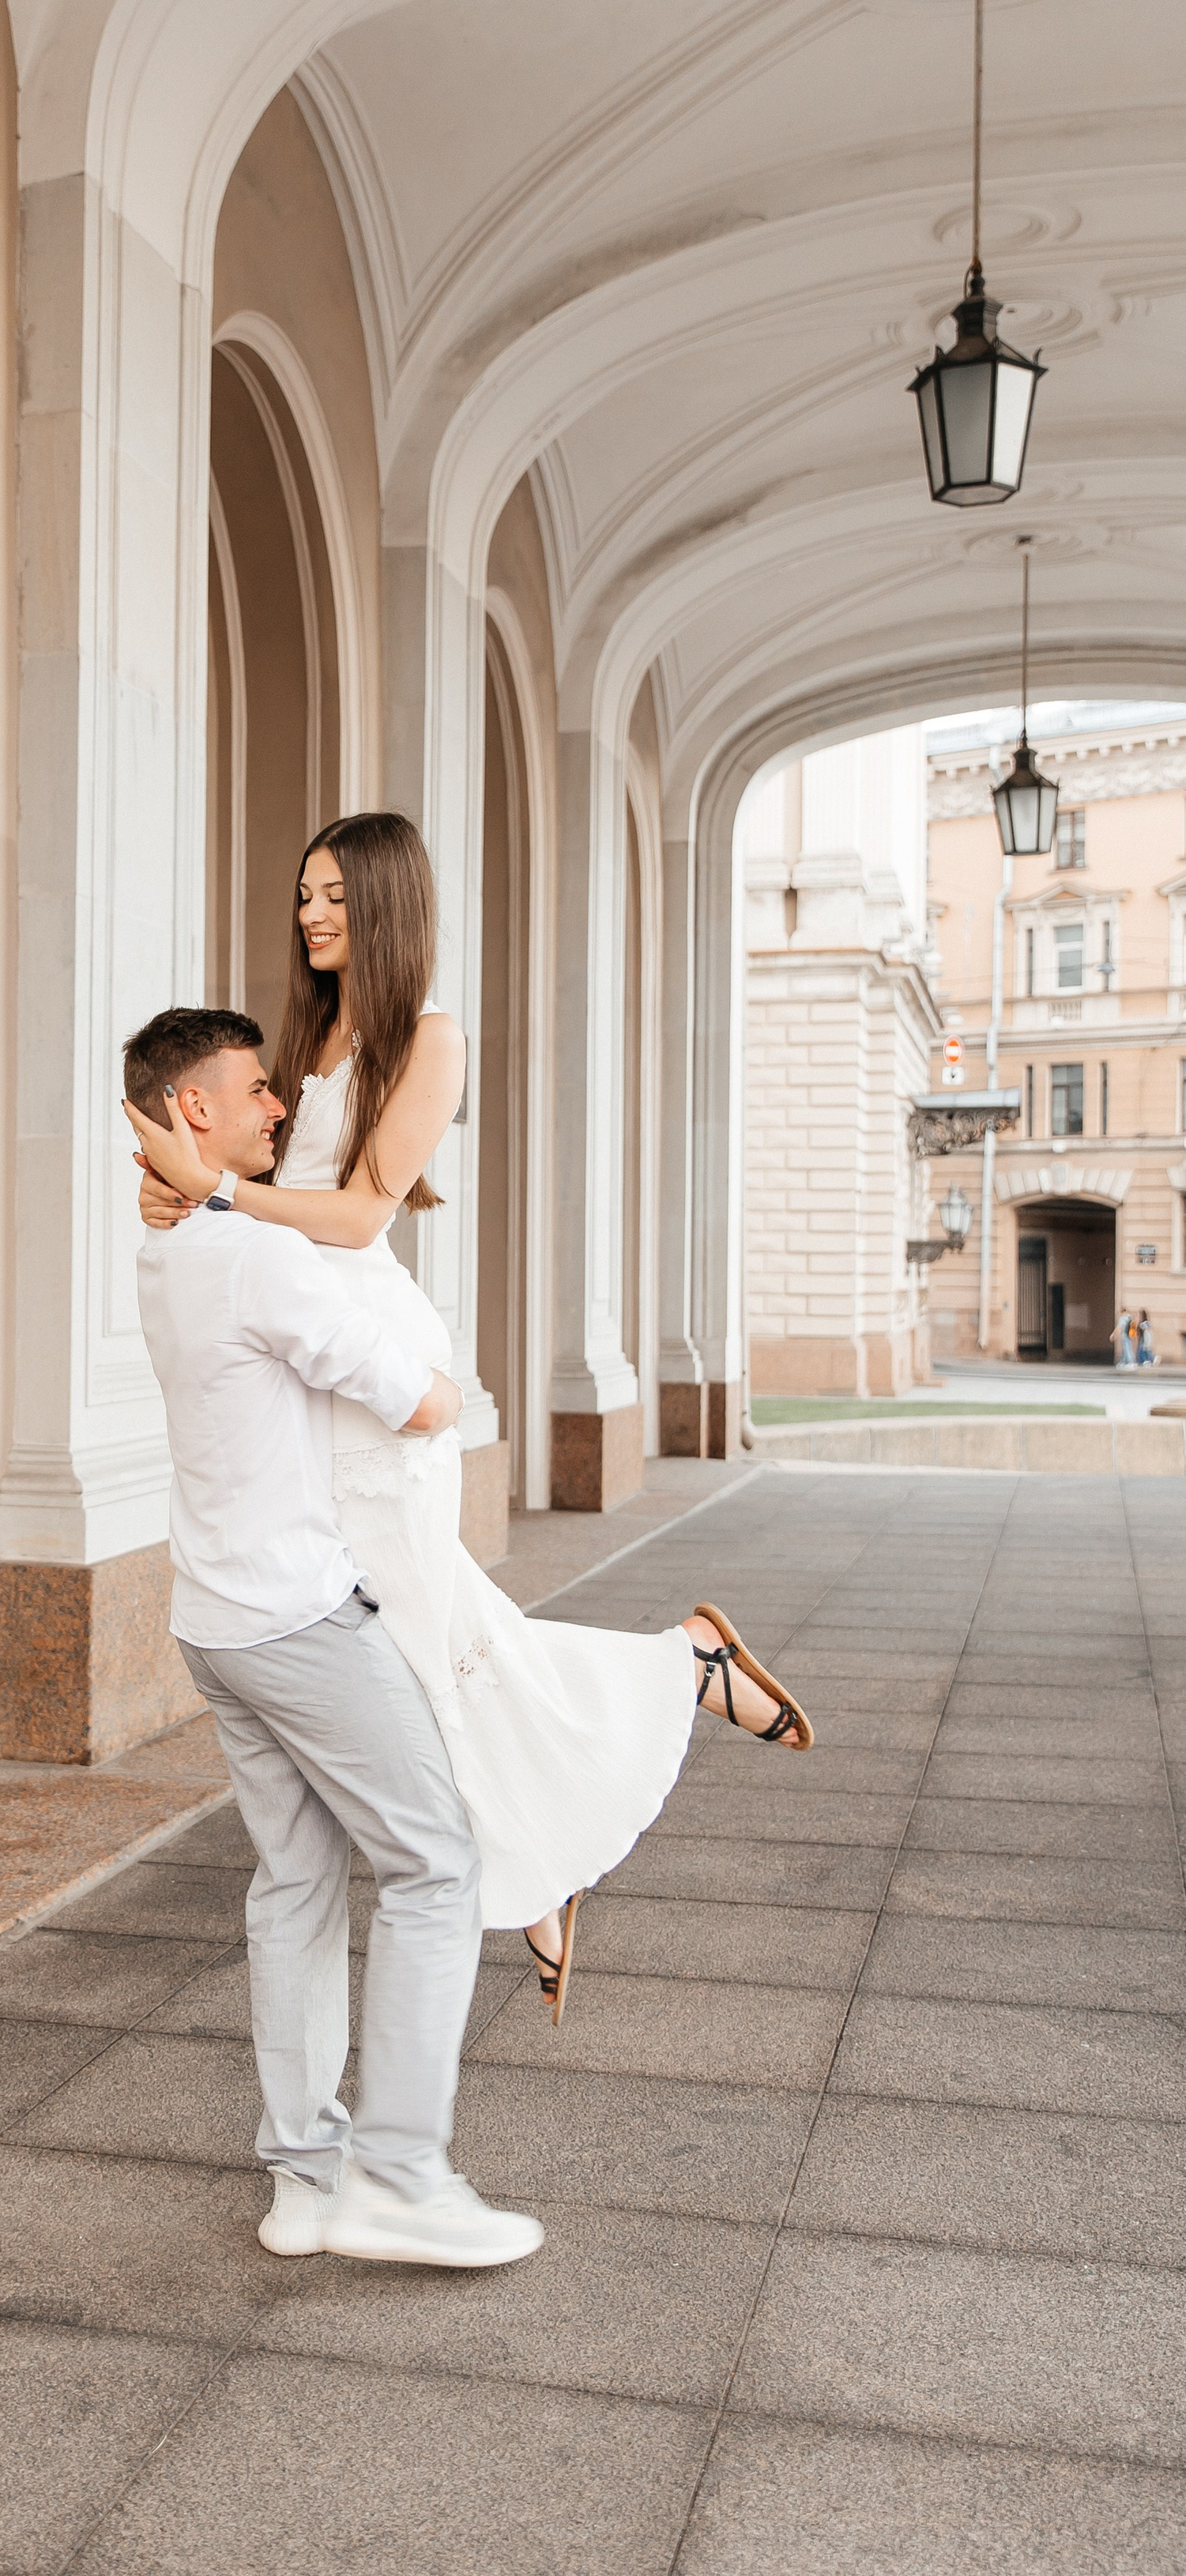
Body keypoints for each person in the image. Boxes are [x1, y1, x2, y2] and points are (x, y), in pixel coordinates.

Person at [128, 810, 810, 2022]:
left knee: (410, 1637)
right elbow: (256, 1189)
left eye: (334, 893)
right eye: (302, 894)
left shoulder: (428, 1038)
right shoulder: (306, 1033)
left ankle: (583, 1793)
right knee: (422, 1631)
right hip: (302, 1349)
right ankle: (622, 1750)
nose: (311, 914)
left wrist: (217, 1194)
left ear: (387, 900)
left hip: (372, 1350)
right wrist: (180, 1202)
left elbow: (356, 1218)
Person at [128, 1002, 544, 2270]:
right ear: (196, 1110)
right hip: (300, 1619)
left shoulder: (171, 1246)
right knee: (433, 1866)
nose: (281, 1110)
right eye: (256, 1092)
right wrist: (439, 1380)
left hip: (213, 1620)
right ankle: (402, 2175)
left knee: (297, 1886)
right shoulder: (261, 1256)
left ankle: (302, 2175)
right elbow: (426, 1403)